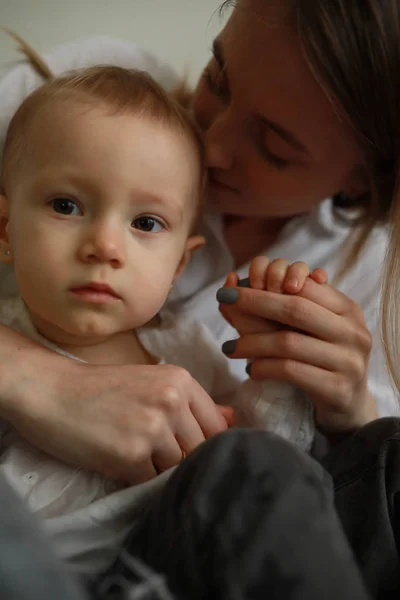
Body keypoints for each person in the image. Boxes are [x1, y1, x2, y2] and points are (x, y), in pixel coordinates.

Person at [0, 0, 400, 597]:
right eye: (218, 78)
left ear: (362, 179)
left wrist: (344, 412)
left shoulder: (368, 276)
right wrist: (37, 379)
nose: (211, 147)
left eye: (274, 148)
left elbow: (278, 460)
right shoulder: (76, 104)